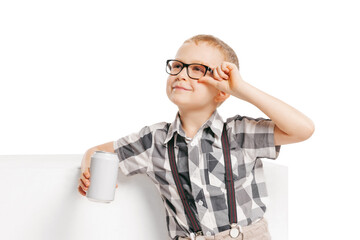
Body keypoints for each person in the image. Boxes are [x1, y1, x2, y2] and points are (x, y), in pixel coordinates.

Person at [78, 34, 314, 240]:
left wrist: (241, 89)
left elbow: (303, 129)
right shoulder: (153, 142)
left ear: (223, 90)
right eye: (178, 66)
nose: (181, 75)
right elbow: (98, 152)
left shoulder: (239, 133)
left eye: (197, 70)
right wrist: (88, 170)